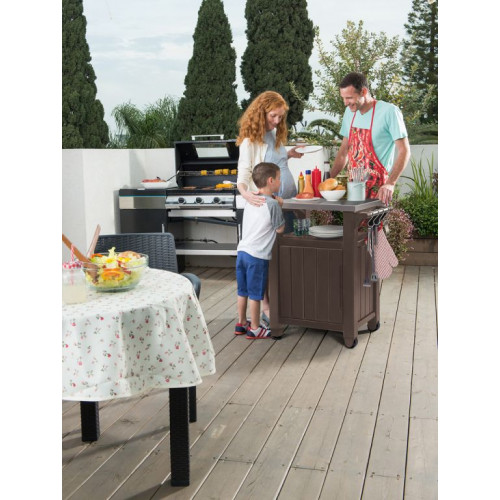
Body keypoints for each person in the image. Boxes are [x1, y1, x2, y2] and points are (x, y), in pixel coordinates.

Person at [236, 91, 303, 323]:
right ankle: (266, 306)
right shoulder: (250, 141)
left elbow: (274, 163)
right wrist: (245, 193)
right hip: (268, 207)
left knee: (283, 257)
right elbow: (244, 171)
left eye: (280, 116)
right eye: (273, 116)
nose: (277, 120)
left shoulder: (274, 134)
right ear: (261, 113)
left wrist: (288, 154)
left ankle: (287, 303)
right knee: (264, 256)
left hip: (286, 203)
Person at [329, 72, 411, 204]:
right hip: (354, 192)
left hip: (379, 192)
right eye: (343, 98)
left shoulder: (389, 112)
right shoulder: (349, 113)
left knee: (376, 218)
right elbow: (344, 151)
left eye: (349, 98)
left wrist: (390, 183)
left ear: (363, 92)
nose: (345, 103)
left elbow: (404, 151)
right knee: (350, 219)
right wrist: (327, 182)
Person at [234, 162, 285, 339]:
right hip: (257, 257)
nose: (280, 181)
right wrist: (280, 205)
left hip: (242, 252)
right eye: (279, 178)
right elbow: (280, 229)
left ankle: (241, 323)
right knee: (256, 294)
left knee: (243, 291)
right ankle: (255, 328)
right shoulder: (273, 204)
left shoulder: (251, 200)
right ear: (271, 180)